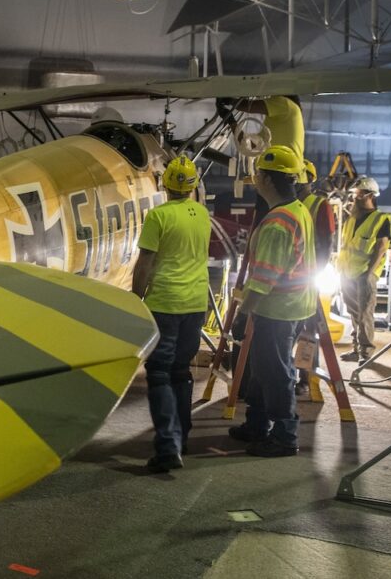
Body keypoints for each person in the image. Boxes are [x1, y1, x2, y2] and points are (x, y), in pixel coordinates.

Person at [229, 145, 315, 457]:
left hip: (278, 310)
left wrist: (242, 311)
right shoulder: (299, 210)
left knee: (276, 372)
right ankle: (257, 424)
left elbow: (264, 279)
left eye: (257, 174)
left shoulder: (278, 222)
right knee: (262, 367)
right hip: (293, 306)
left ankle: (284, 435)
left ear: (265, 178)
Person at [132, 155, 211, 472]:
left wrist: (137, 298)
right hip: (195, 304)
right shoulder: (202, 214)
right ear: (193, 185)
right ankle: (183, 437)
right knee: (181, 372)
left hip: (164, 304)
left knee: (160, 373)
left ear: (164, 184)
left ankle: (167, 447)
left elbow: (145, 262)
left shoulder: (157, 216)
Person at [337, 176, 391, 364]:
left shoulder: (380, 219)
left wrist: (369, 273)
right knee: (353, 312)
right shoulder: (351, 219)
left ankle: (366, 352)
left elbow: (381, 248)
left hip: (364, 274)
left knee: (365, 313)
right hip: (346, 272)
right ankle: (356, 349)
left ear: (368, 195)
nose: (354, 198)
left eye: (357, 194)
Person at [295, 160, 336, 394]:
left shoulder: (320, 205)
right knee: (294, 329)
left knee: (308, 330)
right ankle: (297, 376)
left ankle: (305, 378)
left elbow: (327, 242)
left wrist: (316, 273)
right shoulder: (291, 204)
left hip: (307, 277)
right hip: (291, 277)